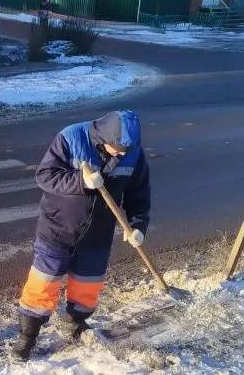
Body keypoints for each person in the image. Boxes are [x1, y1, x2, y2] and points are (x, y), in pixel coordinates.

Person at [12, 110, 151, 361]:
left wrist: (138, 225)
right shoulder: (71, 138)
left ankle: (75, 323)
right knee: (43, 284)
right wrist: (81, 181)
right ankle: (27, 337)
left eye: (125, 150)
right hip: (57, 228)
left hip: (98, 233)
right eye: (116, 149)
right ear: (105, 136)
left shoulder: (134, 153)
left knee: (87, 286)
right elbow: (45, 176)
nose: (121, 154)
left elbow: (138, 194)